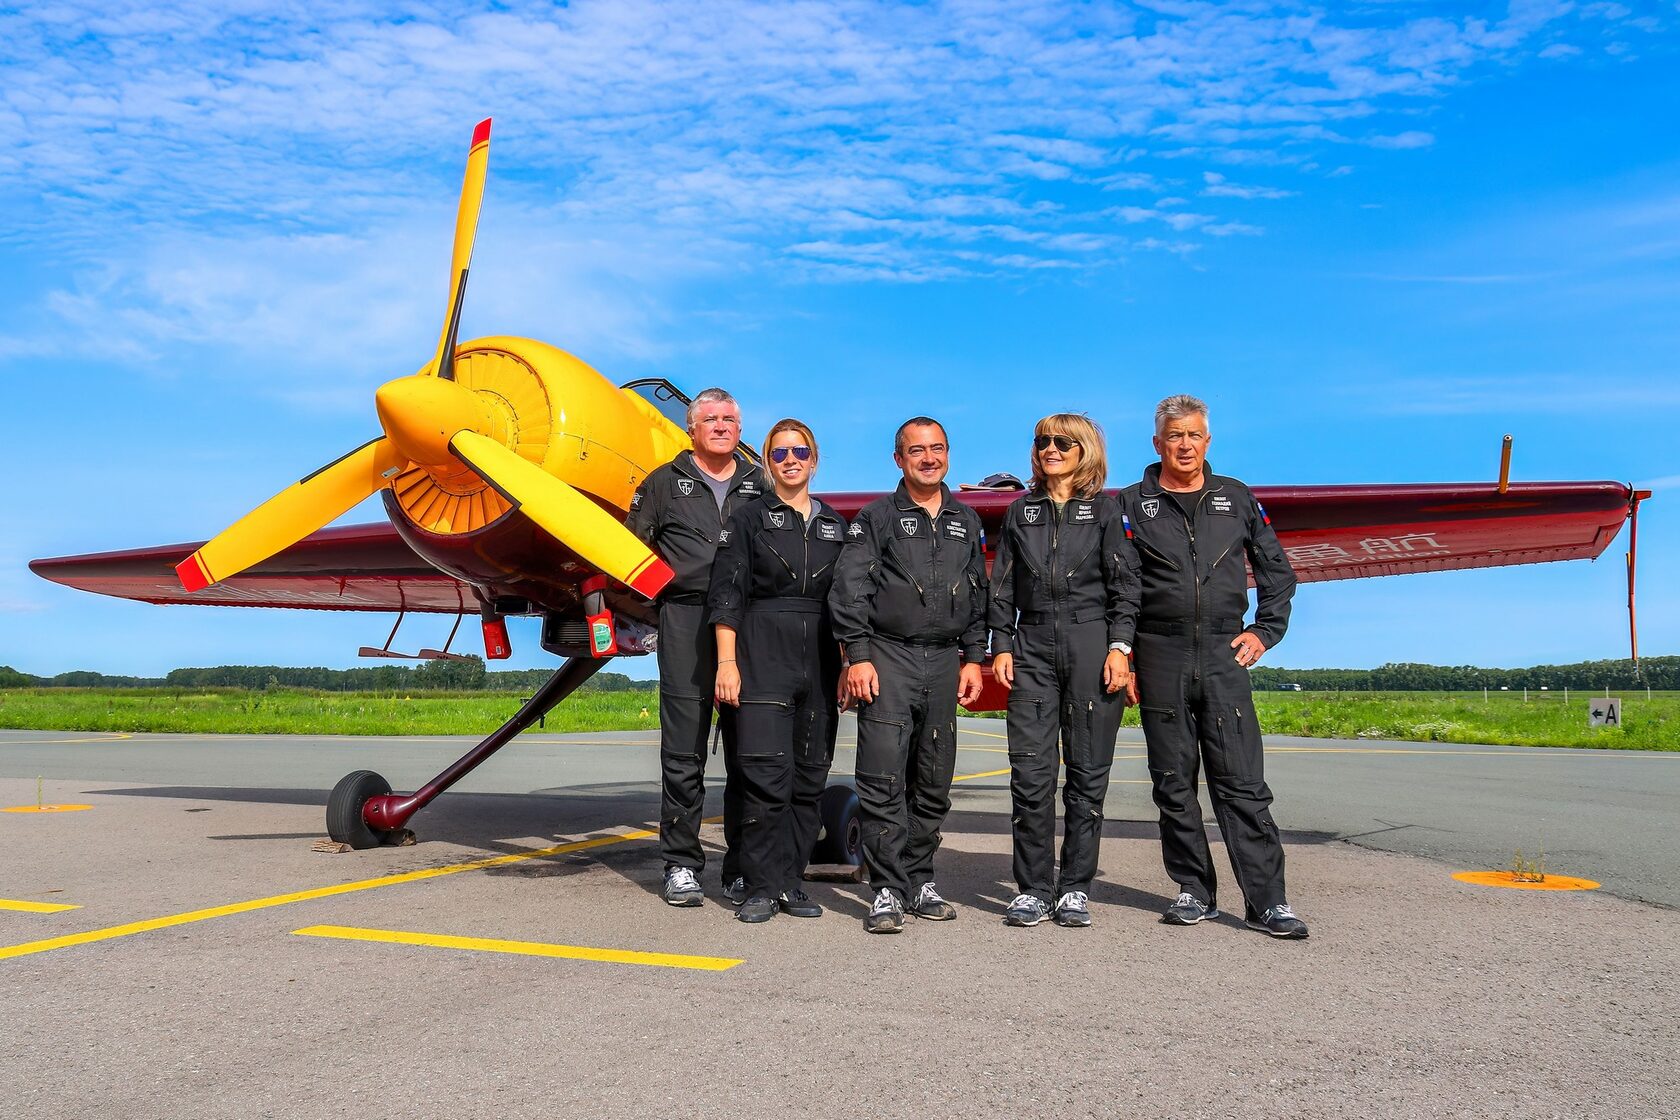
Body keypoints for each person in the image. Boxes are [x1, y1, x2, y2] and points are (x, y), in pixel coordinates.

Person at [1118, 394, 1307, 938]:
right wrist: (1124, 653)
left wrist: (1265, 631)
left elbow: (1277, 572)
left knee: (1242, 783)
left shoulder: (1236, 497)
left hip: (1224, 653)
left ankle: (1268, 902)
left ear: (1208, 440)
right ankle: (1194, 890)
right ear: (1157, 443)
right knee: (1173, 782)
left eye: (1194, 435)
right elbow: (1121, 587)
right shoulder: (1130, 503)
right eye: (1175, 435)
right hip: (1160, 653)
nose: (1185, 445)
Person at [829, 416, 989, 934]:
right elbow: (850, 589)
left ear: (948, 454)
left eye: (937, 448)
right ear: (898, 459)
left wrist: (973, 657)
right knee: (882, 779)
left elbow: (978, 595)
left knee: (934, 780)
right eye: (916, 450)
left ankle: (920, 880)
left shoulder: (966, 519)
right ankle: (887, 888)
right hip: (888, 657)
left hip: (943, 661)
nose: (929, 458)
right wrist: (858, 655)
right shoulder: (876, 518)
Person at [988, 413, 1140, 929]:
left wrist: (1120, 648)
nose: (1049, 449)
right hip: (1031, 646)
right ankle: (1033, 889)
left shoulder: (1107, 511)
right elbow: (1001, 587)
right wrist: (1001, 645)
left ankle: (1074, 887)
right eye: (1042, 441)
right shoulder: (1021, 511)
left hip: (1091, 644)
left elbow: (1126, 587)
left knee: (1087, 775)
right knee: (1030, 778)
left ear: (1084, 451)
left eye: (1062, 442)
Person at [626, 387, 766, 907]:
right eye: (711, 419)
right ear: (692, 429)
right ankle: (682, 864)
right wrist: (658, 613)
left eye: (730, 419)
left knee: (750, 750)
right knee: (683, 749)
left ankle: (742, 866)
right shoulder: (662, 483)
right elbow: (631, 554)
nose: (722, 426)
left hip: (751, 624)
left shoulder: (762, 483)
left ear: (740, 428)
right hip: (685, 619)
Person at [707, 419, 848, 923]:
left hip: (820, 660)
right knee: (765, 778)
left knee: (809, 780)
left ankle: (791, 882)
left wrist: (847, 663)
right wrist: (727, 662)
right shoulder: (748, 519)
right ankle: (760, 886)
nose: (791, 460)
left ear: (815, 459)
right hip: (761, 653)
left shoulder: (836, 526)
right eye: (780, 453)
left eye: (800, 452)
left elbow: (848, 602)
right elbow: (727, 594)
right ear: (767, 463)